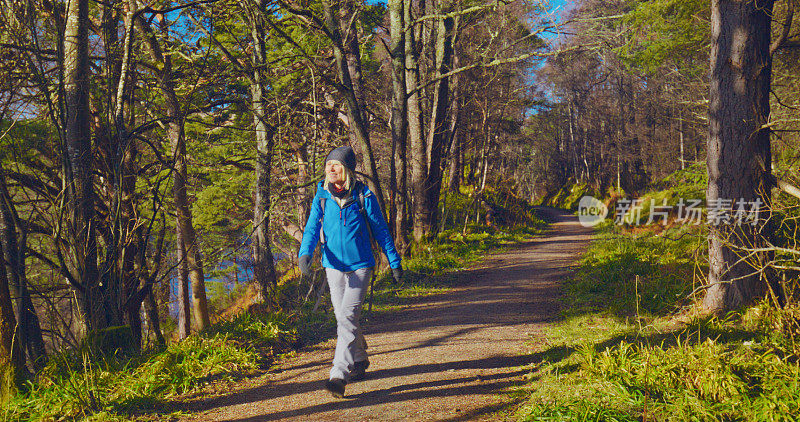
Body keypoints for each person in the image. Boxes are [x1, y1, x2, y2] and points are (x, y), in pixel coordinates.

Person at [298, 146, 402, 399]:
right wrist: (305, 253)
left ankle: (339, 373)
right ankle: (360, 357)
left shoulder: (364, 196)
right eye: (328, 165)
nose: (330, 169)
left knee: (346, 316)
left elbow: (381, 231)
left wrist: (394, 261)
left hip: (361, 266)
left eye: (335, 165)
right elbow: (312, 229)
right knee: (344, 318)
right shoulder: (321, 197)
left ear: (346, 169)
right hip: (333, 266)